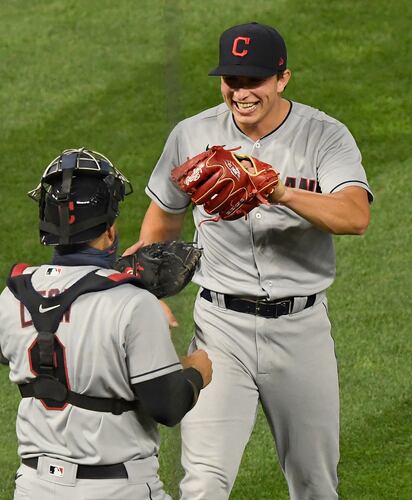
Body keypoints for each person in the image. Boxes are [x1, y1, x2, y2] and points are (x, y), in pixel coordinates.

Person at [141, 22, 373, 500]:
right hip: (220, 329)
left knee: (315, 483)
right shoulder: (192, 135)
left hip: (301, 330)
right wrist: (147, 297)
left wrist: (279, 191)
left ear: (283, 78)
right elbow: (161, 224)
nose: (241, 92)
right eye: (232, 80)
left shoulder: (324, 136)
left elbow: (355, 216)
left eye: (254, 81)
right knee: (203, 483)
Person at [0, 148, 212, 500]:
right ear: (111, 230)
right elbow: (168, 406)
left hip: (34, 487)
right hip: (117, 489)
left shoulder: (13, 296)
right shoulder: (133, 304)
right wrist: (195, 371)